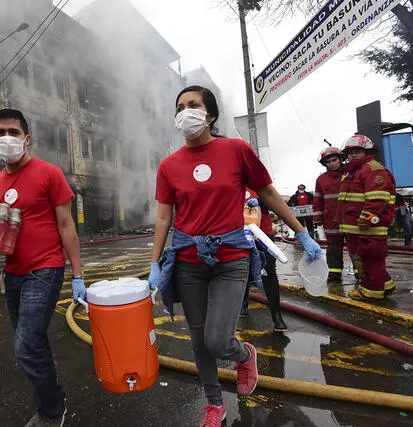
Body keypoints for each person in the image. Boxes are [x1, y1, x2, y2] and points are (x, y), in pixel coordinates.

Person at [147, 86, 322, 427]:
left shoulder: (236, 150)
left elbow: (267, 192)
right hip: (188, 261)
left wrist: (301, 232)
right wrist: (154, 263)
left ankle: (244, 355)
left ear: (210, 115)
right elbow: (164, 217)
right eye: (180, 107)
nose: (186, 112)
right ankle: (215, 404)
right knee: (198, 340)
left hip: (231, 259)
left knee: (217, 339)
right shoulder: (169, 166)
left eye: (194, 105)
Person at [0, 108, 84, 427]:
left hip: (45, 269)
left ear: (26, 138)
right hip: (12, 275)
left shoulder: (49, 174)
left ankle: (51, 412)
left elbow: (66, 224)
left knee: (26, 344)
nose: (6, 138)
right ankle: (55, 400)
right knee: (32, 341)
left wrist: (78, 274)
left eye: (13, 132)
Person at [338, 134, 396, 301]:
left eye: (357, 151)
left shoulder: (373, 169)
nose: (353, 155)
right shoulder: (352, 171)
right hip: (356, 225)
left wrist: (367, 218)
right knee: (366, 258)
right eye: (350, 153)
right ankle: (385, 285)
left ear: (367, 151)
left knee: (371, 258)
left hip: (369, 225)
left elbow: (377, 197)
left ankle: (371, 292)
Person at [240, 189, 287, 332]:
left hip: (263, 234)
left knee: (269, 271)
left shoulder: (259, 184)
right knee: (243, 269)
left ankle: (277, 315)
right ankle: (243, 302)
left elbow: (278, 203)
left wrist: (260, 202)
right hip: (239, 233)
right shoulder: (229, 181)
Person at [313, 147, 346, 282]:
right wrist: (317, 218)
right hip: (331, 219)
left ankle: (360, 274)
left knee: (356, 249)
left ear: (340, 159)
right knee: (333, 249)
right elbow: (318, 200)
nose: (332, 163)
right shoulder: (321, 179)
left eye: (334, 160)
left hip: (351, 218)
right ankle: (334, 275)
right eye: (328, 162)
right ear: (325, 164)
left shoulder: (351, 174)